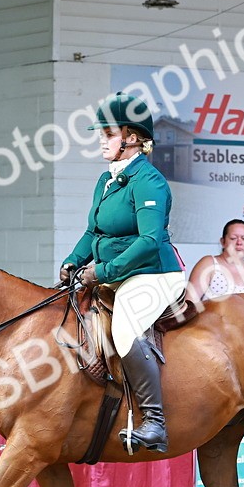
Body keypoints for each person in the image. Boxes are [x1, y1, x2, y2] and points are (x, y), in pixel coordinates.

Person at [59, 92, 185, 454]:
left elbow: (148, 241)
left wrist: (102, 271)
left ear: (132, 138)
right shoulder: (106, 180)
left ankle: (155, 423)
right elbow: (93, 232)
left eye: (108, 133)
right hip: (113, 272)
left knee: (124, 327)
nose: (101, 139)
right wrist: (73, 260)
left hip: (153, 274)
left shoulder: (150, 182)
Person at [187, 219, 244, 301]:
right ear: (223, 242)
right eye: (233, 238)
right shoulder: (209, 264)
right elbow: (190, 304)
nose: (239, 242)